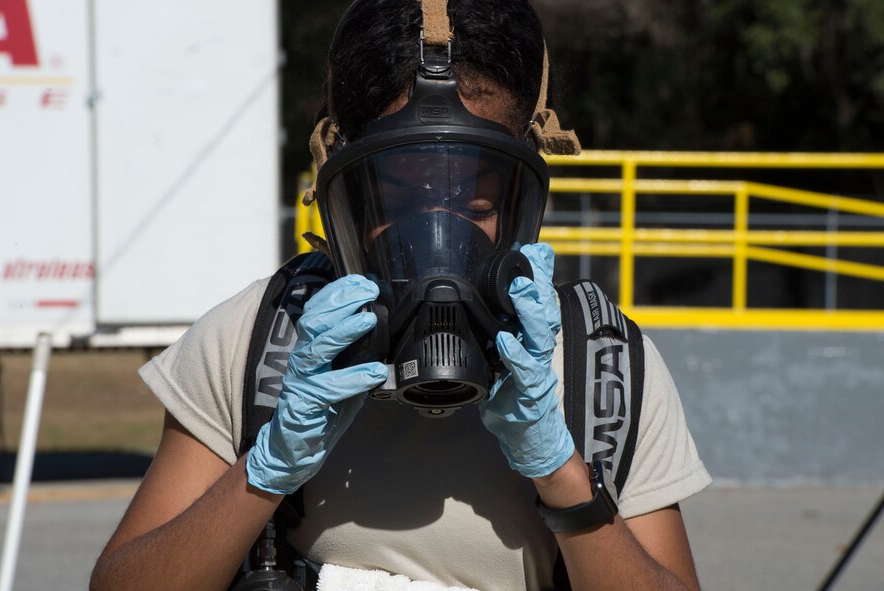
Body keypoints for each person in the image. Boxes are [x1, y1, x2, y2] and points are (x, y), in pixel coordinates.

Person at [90, 1, 711, 590]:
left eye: (476, 205)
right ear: (345, 201)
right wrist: (267, 467)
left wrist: (560, 470)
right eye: (400, 202)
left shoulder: (602, 366)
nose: (437, 241)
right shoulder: (257, 342)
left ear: (522, 203)